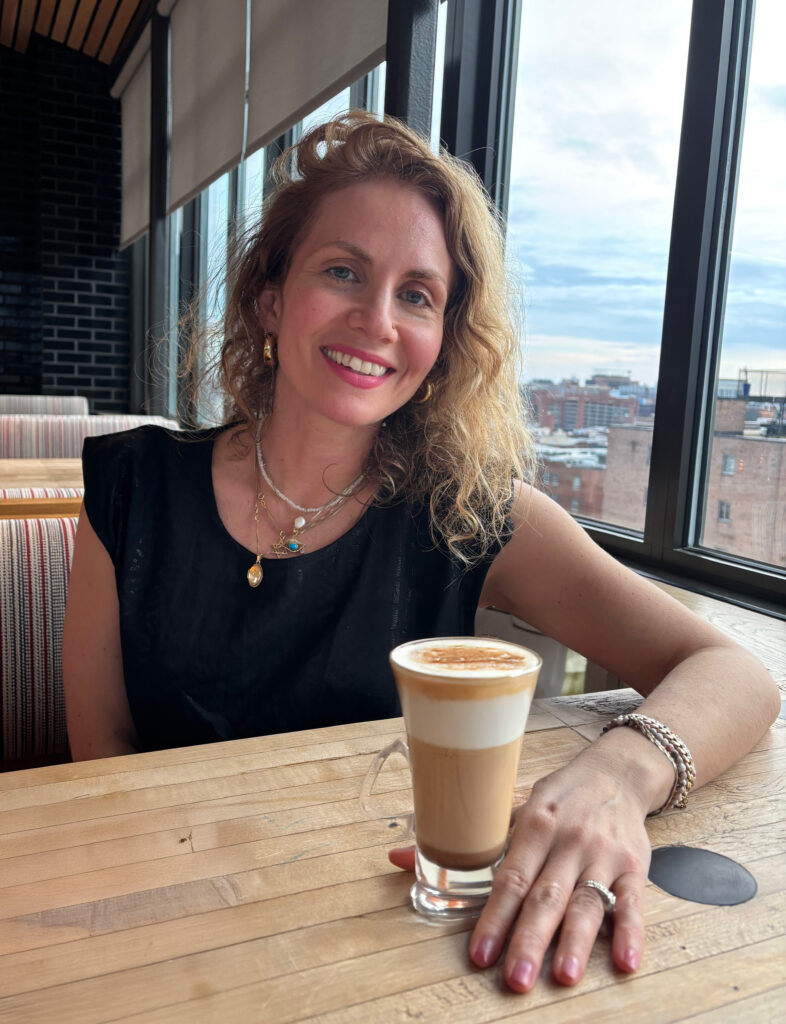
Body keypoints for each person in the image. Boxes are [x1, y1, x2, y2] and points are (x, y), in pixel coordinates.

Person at [62, 111, 780, 993]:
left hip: (386, 950)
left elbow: (735, 674)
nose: (377, 319)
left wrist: (618, 778)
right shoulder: (130, 485)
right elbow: (101, 756)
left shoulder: (468, 516)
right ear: (271, 297)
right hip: (165, 933)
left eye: (418, 295)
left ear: (442, 344)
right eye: (343, 271)